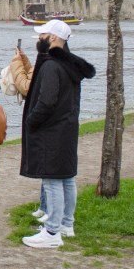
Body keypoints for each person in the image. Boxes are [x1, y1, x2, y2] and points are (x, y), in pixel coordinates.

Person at [20, 20, 95, 248]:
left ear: (52, 38)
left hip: (51, 130)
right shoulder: (69, 66)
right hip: (66, 128)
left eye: (42, 35)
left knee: (52, 179)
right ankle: (66, 224)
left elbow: (47, 100)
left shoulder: (52, 66)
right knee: (66, 177)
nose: (39, 39)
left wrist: (31, 121)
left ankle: (52, 232)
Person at [10, 45, 49, 223]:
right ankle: (45, 206)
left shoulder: (49, 63)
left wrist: (17, 64)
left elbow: (27, 87)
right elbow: (34, 76)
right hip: (51, 125)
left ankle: (49, 210)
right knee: (50, 172)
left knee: (50, 172)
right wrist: (25, 61)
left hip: (46, 125)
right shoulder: (48, 61)